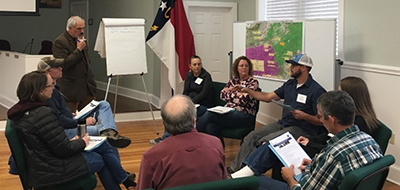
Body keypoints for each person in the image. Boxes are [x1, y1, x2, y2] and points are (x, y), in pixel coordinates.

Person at [231, 76, 381, 179]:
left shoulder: (358, 124)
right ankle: (241, 173)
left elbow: (329, 149)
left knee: (274, 147)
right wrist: (310, 141)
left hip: (318, 158)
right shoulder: (362, 130)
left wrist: (310, 143)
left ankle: (242, 176)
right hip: (316, 149)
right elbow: (328, 138)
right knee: (269, 144)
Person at [7, 71, 135, 190]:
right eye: (50, 85)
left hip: (43, 164)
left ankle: (125, 181)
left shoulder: (21, 112)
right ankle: (124, 181)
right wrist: (82, 142)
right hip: (53, 169)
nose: (53, 87)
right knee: (99, 158)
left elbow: (52, 142)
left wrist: (74, 141)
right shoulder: (43, 113)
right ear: (40, 91)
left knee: (103, 146)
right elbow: (64, 149)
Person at [258, 90, 383, 190]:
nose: (320, 120)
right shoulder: (370, 141)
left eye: (320, 116)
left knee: (256, 182)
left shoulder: (333, 155)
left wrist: (289, 178)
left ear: (332, 119)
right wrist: (312, 166)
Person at [227, 54, 326, 172]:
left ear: (303, 68)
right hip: (284, 123)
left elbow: (321, 121)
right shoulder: (290, 84)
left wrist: (305, 116)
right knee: (252, 136)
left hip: (301, 129)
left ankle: (248, 172)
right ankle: (234, 169)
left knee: (265, 142)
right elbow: (268, 97)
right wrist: (247, 90)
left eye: (294, 65)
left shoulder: (316, 90)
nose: (290, 68)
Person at [37, 56, 131, 148]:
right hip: (66, 128)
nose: (61, 68)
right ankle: (108, 134)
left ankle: (109, 131)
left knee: (103, 104)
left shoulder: (55, 87)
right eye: (57, 67)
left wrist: (70, 114)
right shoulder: (48, 92)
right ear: (48, 71)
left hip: (71, 119)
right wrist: (84, 121)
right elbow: (60, 120)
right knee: (101, 131)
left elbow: (60, 114)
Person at [137, 95, 227, 190]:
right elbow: (223, 182)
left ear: (165, 124)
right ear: (194, 120)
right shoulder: (215, 144)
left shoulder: (152, 156)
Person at [150, 55, 213, 146]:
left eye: (199, 64)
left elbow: (204, 94)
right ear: (190, 66)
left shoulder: (206, 76)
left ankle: (167, 139)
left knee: (182, 114)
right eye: (194, 64)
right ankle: (166, 137)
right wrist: (183, 101)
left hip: (202, 105)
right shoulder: (189, 75)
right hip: (190, 104)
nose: (197, 66)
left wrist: (189, 103)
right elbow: (185, 91)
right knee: (173, 113)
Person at [195, 56, 259, 137]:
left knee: (210, 114)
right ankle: (217, 149)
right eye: (241, 66)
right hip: (229, 112)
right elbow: (222, 95)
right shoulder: (233, 81)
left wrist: (232, 93)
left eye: (246, 66)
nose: (244, 68)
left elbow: (245, 100)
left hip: (244, 115)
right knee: (210, 127)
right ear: (237, 68)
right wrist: (238, 93)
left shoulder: (253, 82)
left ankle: (192, 136)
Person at [53, 16, 96, 113]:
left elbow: (86, 62)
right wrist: (78, 49)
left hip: (87, 87)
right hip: (71, 89)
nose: (82, 31)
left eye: (83, 28)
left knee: (89, 117)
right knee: (69, 118)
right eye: (78, 29)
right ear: (70, 28)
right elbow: (64, 64)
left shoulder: (82, 40)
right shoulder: (60, 42)